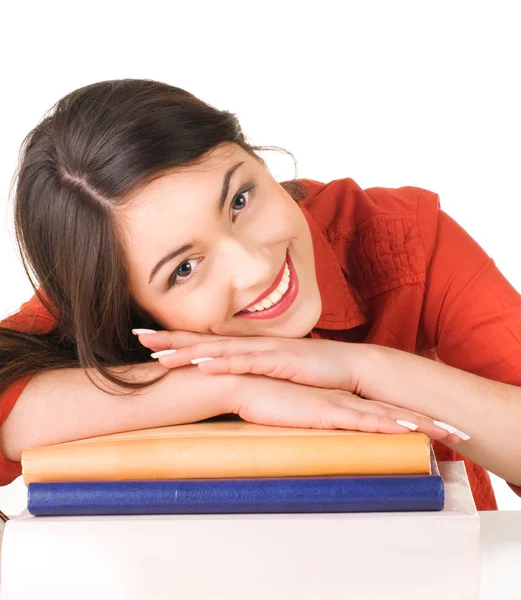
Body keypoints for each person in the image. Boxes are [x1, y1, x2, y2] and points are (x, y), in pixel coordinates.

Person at [1, 79, 520, 512]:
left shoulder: (400, 236)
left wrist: (363, 368)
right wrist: (229, 387)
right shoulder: (102, 296)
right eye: (184, 268)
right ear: (128, 307)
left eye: (240, 200)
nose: (253, 266)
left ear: (259, 159)